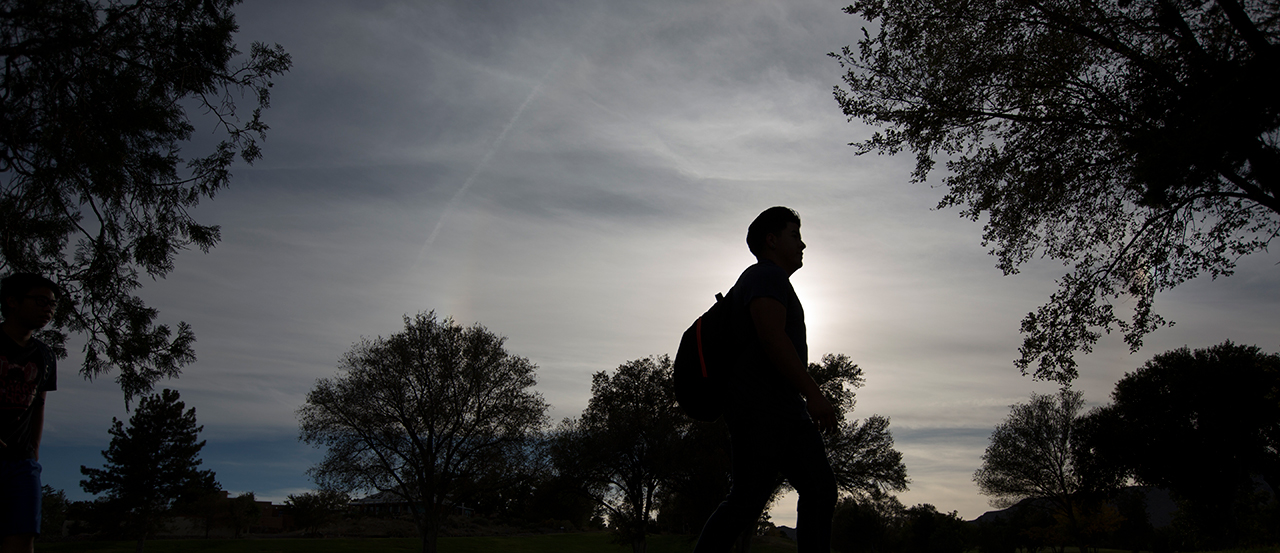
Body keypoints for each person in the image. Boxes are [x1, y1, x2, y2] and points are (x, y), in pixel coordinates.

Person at [694, 207, 838, 553]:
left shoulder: (768, 279)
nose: (802, 244)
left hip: (778, 407)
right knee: (749, 499)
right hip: (762, 408)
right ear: (771, 241)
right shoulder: (765, 276)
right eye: (794, 235)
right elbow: (772, 338)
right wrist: (814, 394)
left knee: (814, 489)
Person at [0, 273, 59, 553]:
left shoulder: (45, 355)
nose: (47, 309)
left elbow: (39, 404)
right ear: (12, 301)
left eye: (52, 304)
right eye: (40, 301)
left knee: (23, 537)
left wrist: (33, 453)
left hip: (21, 463)